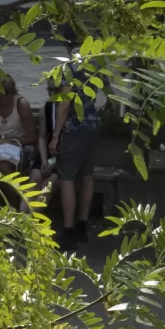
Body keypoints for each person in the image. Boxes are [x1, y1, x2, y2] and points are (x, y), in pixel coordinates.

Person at [50, 68, 102, 247]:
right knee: (87, 175)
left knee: (67, 178)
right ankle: (82, 226)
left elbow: (64, 104)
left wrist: (56, 135)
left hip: (74, 127)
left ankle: (68, 231)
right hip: (93, 125)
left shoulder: (70, 68)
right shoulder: (96, 62)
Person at [0, 76, 41, 210]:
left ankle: (13, 204)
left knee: (4, 166)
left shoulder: (21, 104)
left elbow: (32, 137)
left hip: (20, 146)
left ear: (10, 95)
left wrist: (10, 141)